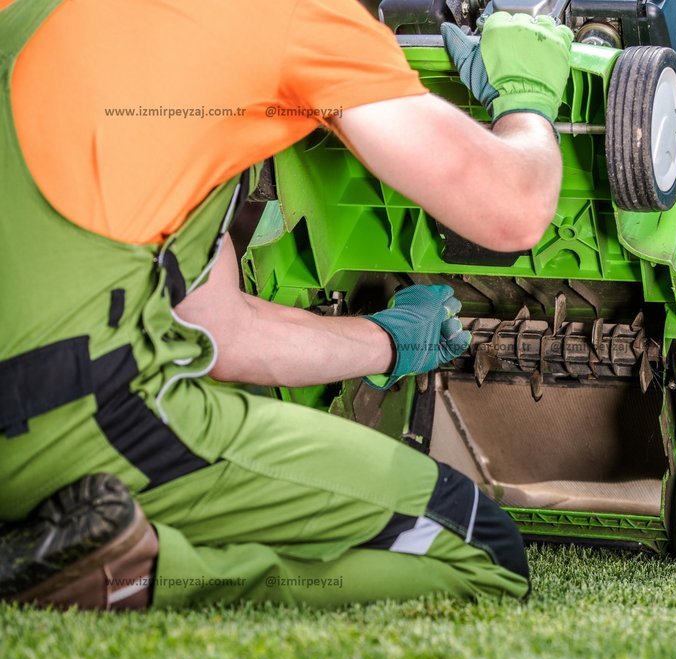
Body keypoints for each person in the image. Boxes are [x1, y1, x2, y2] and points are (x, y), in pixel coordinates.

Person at [0, 0, 573, 610]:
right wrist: (527, 99)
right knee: (482, 550)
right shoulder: (297, 16)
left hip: (45, 391)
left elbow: (213, 324)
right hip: (68, 420)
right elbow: (515, 207)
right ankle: (138, 577)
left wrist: (389, 337)